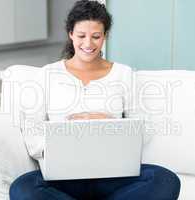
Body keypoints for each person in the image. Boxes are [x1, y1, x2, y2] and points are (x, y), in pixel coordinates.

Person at [9, 0, 181, 199]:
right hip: (62, 177)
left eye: (96, 36)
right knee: (22, 188)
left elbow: (145, 131)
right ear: (70, 34)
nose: (88, 44)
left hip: (113, 176)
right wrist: (65, 132)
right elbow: (31, 129)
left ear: (105, 36)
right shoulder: (48, 74)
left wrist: (111, 124)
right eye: (81, 36)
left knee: (165, 180)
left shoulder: (124, 74)